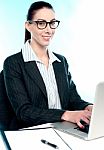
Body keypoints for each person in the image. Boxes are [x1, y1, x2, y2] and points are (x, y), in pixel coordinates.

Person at [3, 1, 92, 129]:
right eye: (41, 23)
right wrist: (66, 115)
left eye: (52, 23)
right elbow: (24, 111)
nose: (49, 29)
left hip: (64, 129)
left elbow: (73, 100)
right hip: (31, 132)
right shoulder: (13, 63)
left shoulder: (61, 62)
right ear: (28, 26)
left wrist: (88, 107)